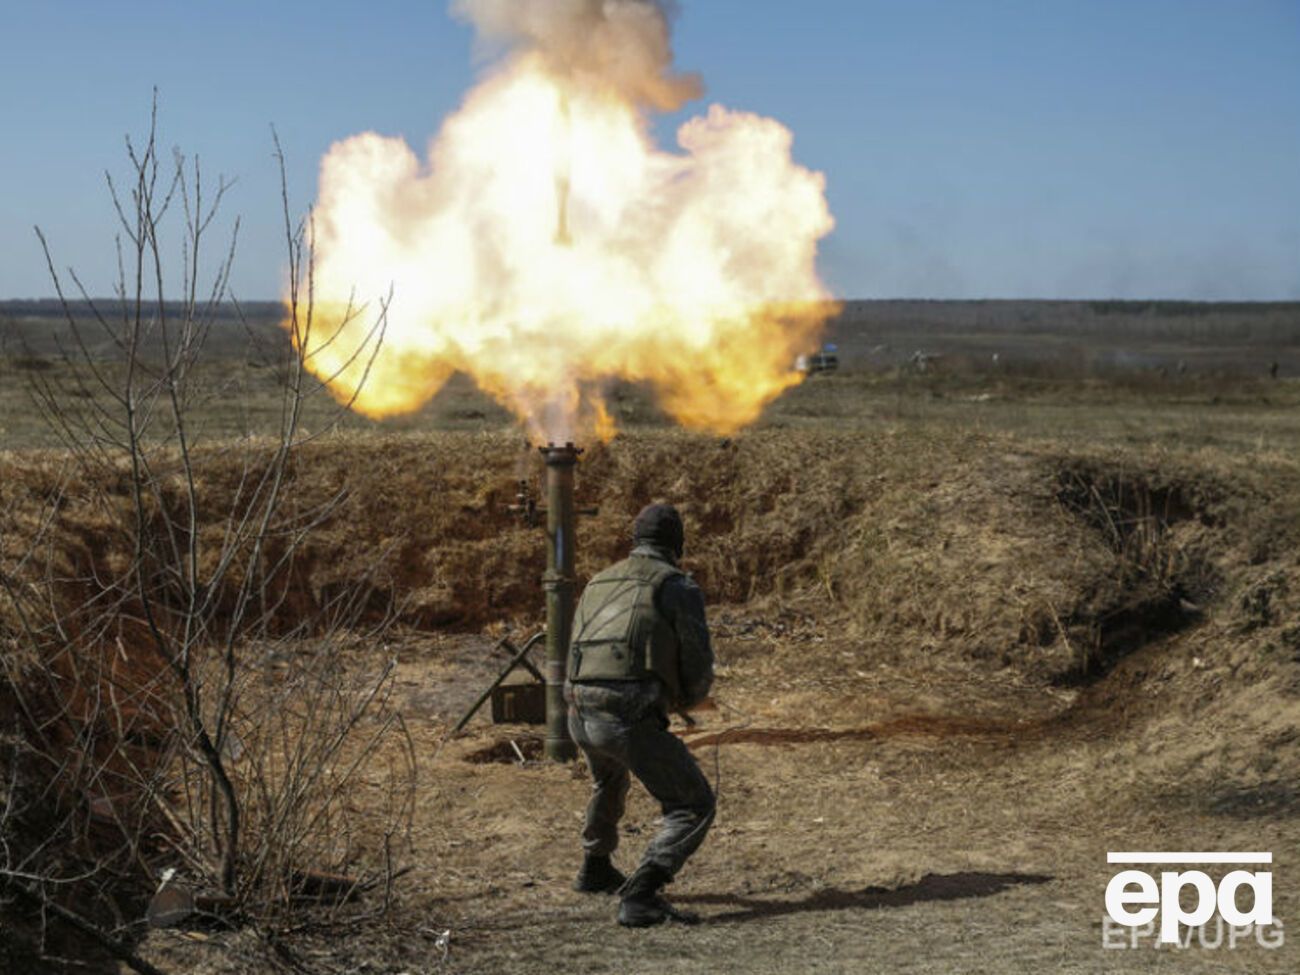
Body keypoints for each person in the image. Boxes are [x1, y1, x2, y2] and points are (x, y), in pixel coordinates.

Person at [565, 503, 716, 927]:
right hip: (626, 715)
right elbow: (698, 662)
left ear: (635, 541)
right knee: (693, 803)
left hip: (577, 709)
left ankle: (595, 866)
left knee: (609, 777)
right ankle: (642, 892)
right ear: (677, 546)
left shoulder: (598, 581)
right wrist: (688, 699)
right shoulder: (676, 586)